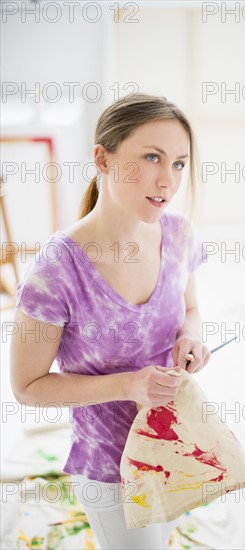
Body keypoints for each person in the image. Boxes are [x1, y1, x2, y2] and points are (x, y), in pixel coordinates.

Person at [10, 93, 211, 549]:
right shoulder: (57, 268)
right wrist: (128, 385)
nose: (168, 179)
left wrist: (192, 339)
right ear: (103, 158)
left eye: (179, 163)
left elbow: (192, 310)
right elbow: (26, 387)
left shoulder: (179, 235)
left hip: (174, 445)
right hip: (111, 470)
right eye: (152, 157)